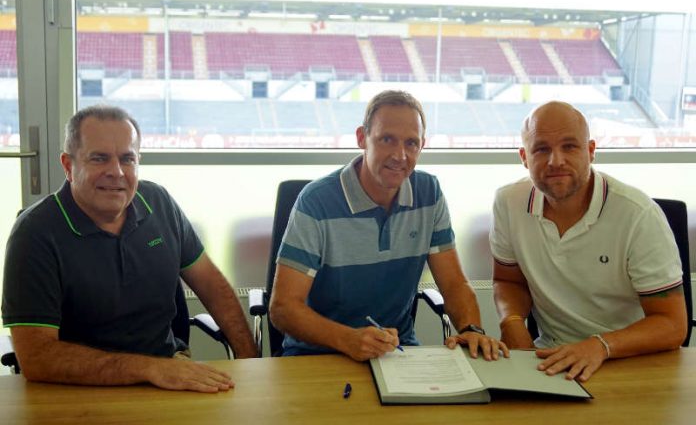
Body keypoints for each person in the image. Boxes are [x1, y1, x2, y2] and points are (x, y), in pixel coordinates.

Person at [2, 105, 257, 392]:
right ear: (68, 166)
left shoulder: (159, 203)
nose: (117, 172)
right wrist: (148, 368)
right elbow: (37, 357)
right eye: (99, 159)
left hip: (168, 371)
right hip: (74, 386)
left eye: (127, 159)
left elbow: (212, 285)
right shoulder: (34, 234)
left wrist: (251, 361)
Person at [270, 90, 508, 361]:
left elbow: (453, 284)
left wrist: (471, 328)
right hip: (317, 355)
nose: (400, 155)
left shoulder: (428, 193)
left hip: (396, 354)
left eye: (411, 143)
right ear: (362, 138)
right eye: (387, 139)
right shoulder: (316, 202)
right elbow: (283, 308)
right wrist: (348, 339)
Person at [491, 101, 687, 382]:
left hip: (631, 361)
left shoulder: (638, 214)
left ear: (591, 151)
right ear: (524, 157)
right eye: (541, 149)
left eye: (569, 146)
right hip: (552, 361)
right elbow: (508, 281)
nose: (555, 161)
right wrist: (511, 322)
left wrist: (600, 346)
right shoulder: (508, 202)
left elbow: (672, 325)